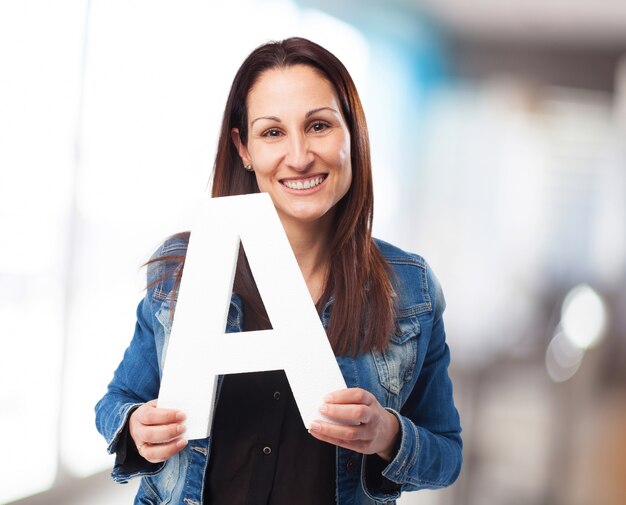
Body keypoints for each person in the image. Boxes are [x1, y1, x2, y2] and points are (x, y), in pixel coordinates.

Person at [95, 37, 462, 505]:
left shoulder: (410, 289)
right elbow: (117, 400)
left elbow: (446, 453)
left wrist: (387, 434)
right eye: (272, 133)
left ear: (353, 134)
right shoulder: (185, 270)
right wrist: (135, 428)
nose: (300, 155)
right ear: (243, 148)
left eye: (319, 126)